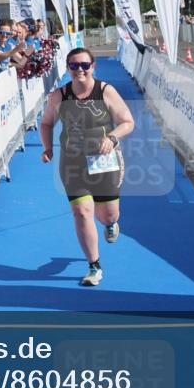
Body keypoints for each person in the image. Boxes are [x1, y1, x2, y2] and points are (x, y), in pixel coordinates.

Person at [39, 48, 135, 286]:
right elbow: (46, 123)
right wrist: (47, 148)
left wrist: (112, 138)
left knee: (107, 215)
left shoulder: (105, 91)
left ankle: (111, 224)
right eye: (73, 66)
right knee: (81, 212)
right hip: (72, 164)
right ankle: (94, 266)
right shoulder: (59, 96)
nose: (79, 70)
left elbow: (127, 122)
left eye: (84, 65)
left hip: (104, 162)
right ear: (67, 68)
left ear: (93, 66)